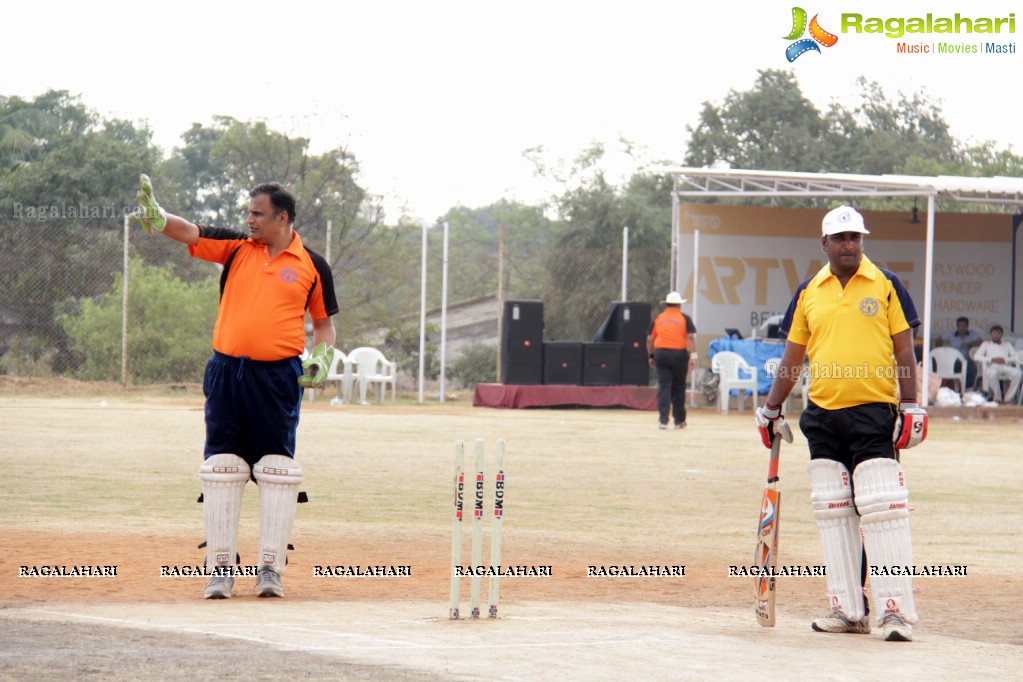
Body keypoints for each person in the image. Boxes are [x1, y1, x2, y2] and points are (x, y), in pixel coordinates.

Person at [130, 174, 338, 599]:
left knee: (277, 471)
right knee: (222, 467)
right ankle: (220, 568)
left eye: (257, 214)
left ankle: (271, 570)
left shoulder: (313, 265)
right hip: (226, 373)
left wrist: (322, 357)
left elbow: (324, 325)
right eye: (248, 212)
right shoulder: (238, 247)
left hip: (279, 379)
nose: (249, 220)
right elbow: (189, 231)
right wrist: (158, 215)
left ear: (282, 218)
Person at [754, 206, 927, 642]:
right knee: (834, 513)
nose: (849, 245)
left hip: (875, 410)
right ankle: (848, 609)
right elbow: (793, 357)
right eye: (841, 238)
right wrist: (771, 408)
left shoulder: (887, 284)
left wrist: (911, 406)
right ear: (824, 243)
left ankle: (894, 613)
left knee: (884, 510)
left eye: (855, 237)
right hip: (822, 415)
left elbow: (905, 353)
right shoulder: (809, 290)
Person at [646, 291, 697, 429]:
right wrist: (693, 356)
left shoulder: (658, 318)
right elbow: (691, 337)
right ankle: (679, 421)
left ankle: (663, 420)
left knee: (663, 386)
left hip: (661, 353)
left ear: (666, 304)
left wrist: (650, 356)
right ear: (679, 305)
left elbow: (650, 339)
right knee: (678, 386)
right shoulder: (684, 318)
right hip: (679, 354)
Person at [973, 324, 1022, 403]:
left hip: (1005, 366)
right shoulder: (986, 344)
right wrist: (991, 359)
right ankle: (997, 397)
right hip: (992, 366)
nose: (996, 335)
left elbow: (1015, 357)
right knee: (992, 373)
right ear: (991, 334)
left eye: (998, 333)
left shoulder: (1007, 344)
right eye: (994, 333)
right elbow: (976, 356)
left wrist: (1005, 360)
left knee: (1019, 373)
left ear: (1001, 334)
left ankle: (1008, 398)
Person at [938, 316, 982, 388]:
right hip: (953, 361)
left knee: (972, 371)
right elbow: (939, 340)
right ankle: (951, 388)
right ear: (957, 326)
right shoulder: (951, 334)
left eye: (964, 326)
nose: (962, 328)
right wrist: (941, 352)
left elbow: (980, 342)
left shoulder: (972, 333)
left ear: (967, 326)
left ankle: (964, 389)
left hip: (967, 360)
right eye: (960, 326)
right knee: (948, 371)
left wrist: (969, 344)